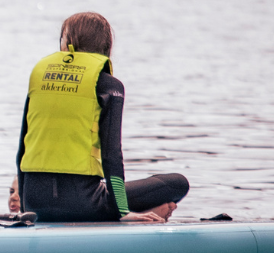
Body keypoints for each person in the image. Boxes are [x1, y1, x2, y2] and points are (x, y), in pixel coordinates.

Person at [14, 11, 189, 222]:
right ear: (106, 45)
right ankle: (139, 214)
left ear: (67, 43)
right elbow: (111, 155)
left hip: (35, 204)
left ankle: (134, 212)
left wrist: (26, 211)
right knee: (177, 184)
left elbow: (21, 151)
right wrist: (122, 212)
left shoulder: (40, 77)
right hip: (83, 204)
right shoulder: (109, 86)